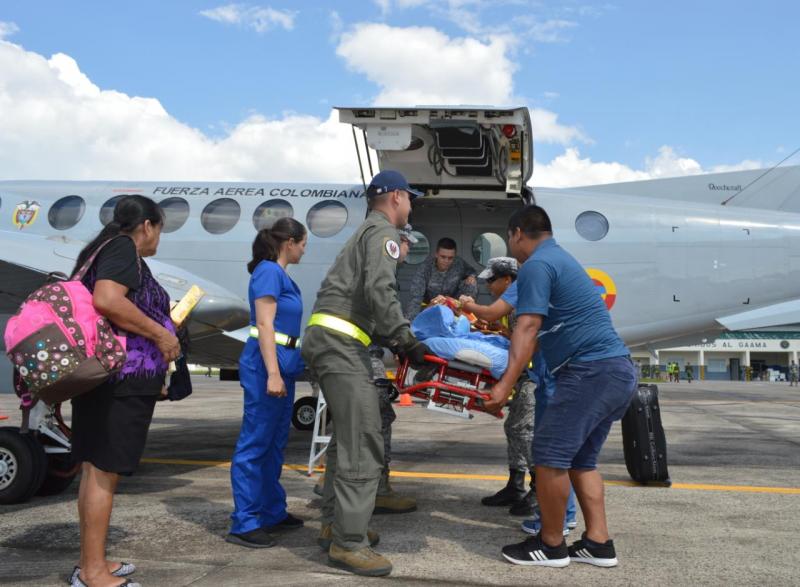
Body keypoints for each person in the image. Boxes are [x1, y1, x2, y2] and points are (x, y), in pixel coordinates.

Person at [484, 204, 637, 569]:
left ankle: (550, 544)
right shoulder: (559, 259)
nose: (511, 246)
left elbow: (528, 327)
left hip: (590, 372)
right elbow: (538, 336)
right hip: (616, 371)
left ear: (518, 233)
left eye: (509, 238)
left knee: (549, 456)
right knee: (582, 461)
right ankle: (598, 543)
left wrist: (504, 385)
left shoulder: (537, 264)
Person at [301, 170, 430, 577]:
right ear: (395, 197)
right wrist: (405, 339)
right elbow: (381, 289)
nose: (411, 205)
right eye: (410, 197)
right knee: (363, 438)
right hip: (340, 345)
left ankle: (334, 525)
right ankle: (349, 543)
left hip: (334, 340)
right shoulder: (382, 235)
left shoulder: (365, 233)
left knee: (345, 438)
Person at [69, 195, 181, 587]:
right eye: (160, 230)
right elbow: (107, 299)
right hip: (119, 380)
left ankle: (92, 561)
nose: (158, 240)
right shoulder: (122, 248)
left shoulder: (104, 248)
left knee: (96, 471)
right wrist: (161, 334)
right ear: (147, 225)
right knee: (103, 471)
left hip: (111, 380)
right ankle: (92, 572)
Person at [227, 218, 308, 548]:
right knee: (255, 443)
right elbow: (264, 323)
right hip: (266, 366)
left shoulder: (280, 274)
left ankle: (272, 510)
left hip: (283, 364)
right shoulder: (268, 271)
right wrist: (273, 373)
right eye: (303, 243)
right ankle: (244, 521)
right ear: (289, 242)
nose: (304, 249)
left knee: (274, 443)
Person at [459, 257, 537, 516]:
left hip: (536, 375)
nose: (488, 285)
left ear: (507, 280)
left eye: (492, 280)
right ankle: (516, 485)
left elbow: (528, 341)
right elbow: (516, 337)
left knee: (523, 428)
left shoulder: (521, 301)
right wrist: (499, 331)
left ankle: (539, 488)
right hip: (525, 374)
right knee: (513, 426)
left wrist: (470, 305)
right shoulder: (515, 307)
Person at [372, 224, 418, 515]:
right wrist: (404, 342)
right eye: (407, 244)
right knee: (379, 416)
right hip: (360, 352)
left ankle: (336, 483)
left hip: (361, 350)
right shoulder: (381, 268)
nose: (408, 250)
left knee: (362, 422)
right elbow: (381, 312)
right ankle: (378, 490)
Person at [405, 237, 477, 319]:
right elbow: (416, 297)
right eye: (443, 257)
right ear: (436, 254)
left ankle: (467, 316)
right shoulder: (425, 268)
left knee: (471, 282)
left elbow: (472, 271)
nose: (446, 261)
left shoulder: (459, 263)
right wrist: (411, 322)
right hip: (431, 304)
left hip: (453, 303)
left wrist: (472, 276)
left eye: (450, 258)